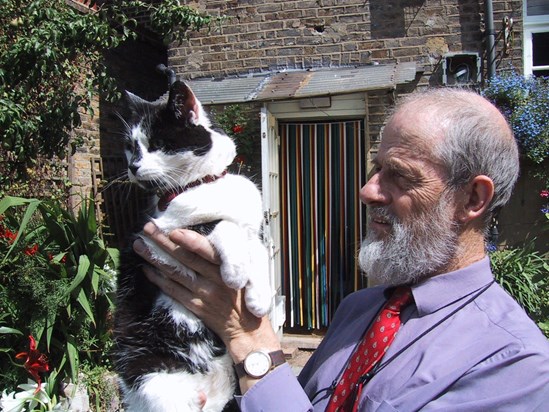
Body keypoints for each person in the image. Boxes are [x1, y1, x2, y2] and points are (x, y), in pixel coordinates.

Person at [133, 88, 549, 411]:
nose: (367, 190)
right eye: (375, 169)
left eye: (400, 176)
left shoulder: (516, 365)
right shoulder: (358, 309)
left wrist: (250, 339)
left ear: (472, 199)